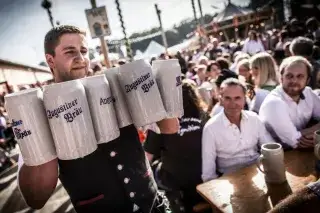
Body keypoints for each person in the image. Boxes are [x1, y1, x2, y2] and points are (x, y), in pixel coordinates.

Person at [17, 25, 179, 213]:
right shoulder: (38, 114)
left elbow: (170, 127)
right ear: (50, 60)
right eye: (70, 52)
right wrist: (48, 132)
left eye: (84, 51)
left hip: (153, 207)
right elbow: (36, 198)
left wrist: (155, 90)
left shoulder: (116, 86)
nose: (81, 58)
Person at [144, 80, 210, 213]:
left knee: (156, 169)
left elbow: (146, 158)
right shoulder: (205, 117)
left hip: (177, 183)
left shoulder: (162, 121)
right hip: (205, 176)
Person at [202, 78, 273, 181]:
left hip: (258, 172)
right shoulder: (211, 128)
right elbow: (208, 174)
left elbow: (269, 147)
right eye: (227, 98)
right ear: (220, 99)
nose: (233, 103)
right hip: (229, 179)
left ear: (245, 99)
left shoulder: (254, 118)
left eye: (237, 98)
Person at [259, 56, 320, 149]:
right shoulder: (274, 103)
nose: (294, 81)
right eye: (289, 76)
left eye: (300, 76)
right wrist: (316, 132)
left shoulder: (308, 93)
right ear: (281, 78)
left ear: (307, 80)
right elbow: (296, 142)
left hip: (303, 152)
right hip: (279, 155)